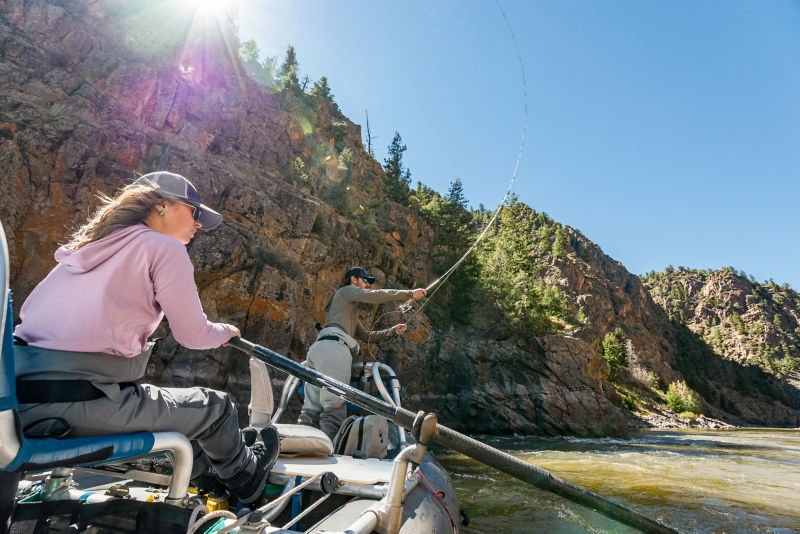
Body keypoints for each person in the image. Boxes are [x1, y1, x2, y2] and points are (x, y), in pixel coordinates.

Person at [13, 171, 279, 504]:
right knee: (217, 408)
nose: (199, 224)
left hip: (18, 406)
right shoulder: (163, 247)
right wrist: (228, 331)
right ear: (161, 205)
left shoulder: (79, 254)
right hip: (74, 406)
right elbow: (193, 335)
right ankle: (248, 478)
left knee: (174, 415)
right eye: (194, 212)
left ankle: (210, 480)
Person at [297, 267, 426, 439]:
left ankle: (299, 448)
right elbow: (375, 296)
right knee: (333, 410)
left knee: (310, 410)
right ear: (353, 279)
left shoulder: (345, 309)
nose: (367, 285)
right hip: (334, 350)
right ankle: (325, 453)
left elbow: (367, 336)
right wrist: (409, 293)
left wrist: (392, 330)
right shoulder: (346, 291)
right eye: (365, 280)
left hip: (318, 350)